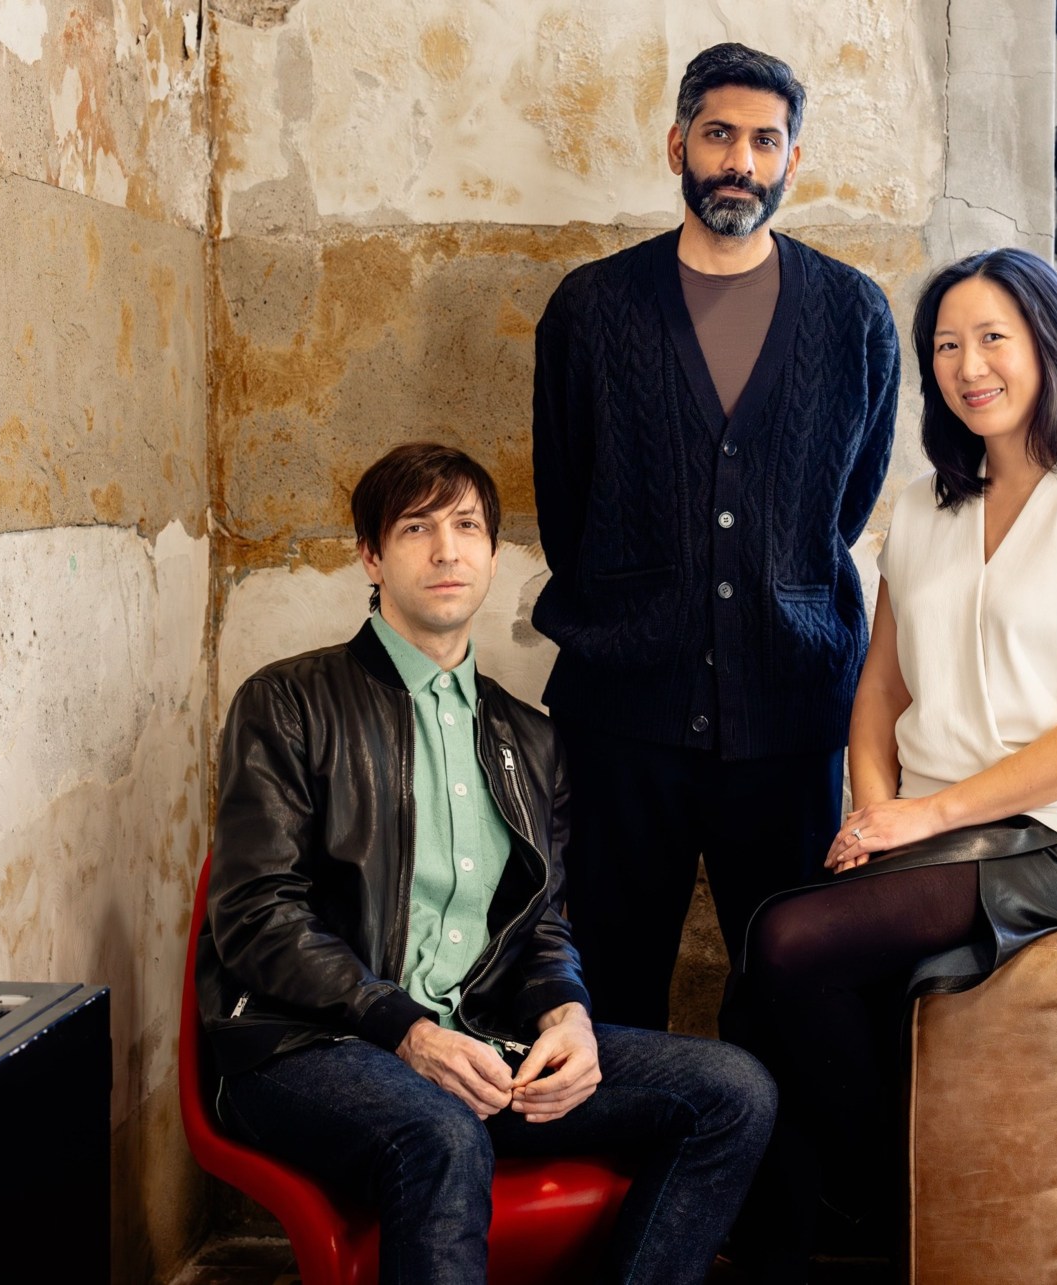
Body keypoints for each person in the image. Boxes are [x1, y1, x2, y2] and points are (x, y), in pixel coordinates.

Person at [196, 442, 776, 1285]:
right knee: (441, 1132)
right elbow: (255, 914)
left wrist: (569, 1016)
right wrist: (405, 1029)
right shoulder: (287, 701)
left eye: (467, 526)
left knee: (735, 1092)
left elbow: (541, 922)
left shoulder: (529, 737)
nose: (447, 550)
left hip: (479, 1044)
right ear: (371, 556)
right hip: (305, 1045)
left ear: (493, 556)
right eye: (416, 527)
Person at [736, 248, 1057, 1279]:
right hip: (931, 827)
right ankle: (804, 1247)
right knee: (762, 989)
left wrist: (923, 818)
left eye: (994, 337)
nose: (969, 365)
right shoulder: (925, 506)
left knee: (785, 939)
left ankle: (878, 1196)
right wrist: (871, 813)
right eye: (947, 345)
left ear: (1049, 345)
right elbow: (879, 693)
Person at [532, 42, 899, 1032]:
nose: (741, 160)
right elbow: (566, 505)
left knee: (799, 990)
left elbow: (844, 504)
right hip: (624, 715)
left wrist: (769, 580)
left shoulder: (854, 316)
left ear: (793, 160)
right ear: (677, 146)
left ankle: (777, 1148)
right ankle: (624, 1145)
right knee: (609, 982)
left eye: (765, 141)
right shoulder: (591, 311)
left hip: (790, 714)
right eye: (719, 134)